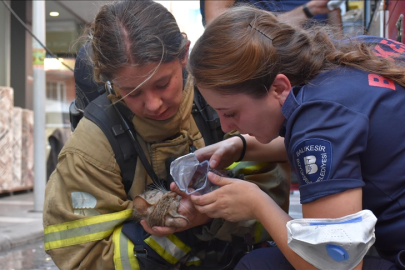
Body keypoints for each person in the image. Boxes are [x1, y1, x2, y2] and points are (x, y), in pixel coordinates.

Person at [42, 1, 291, 269]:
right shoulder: (90, 150)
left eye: (162, 84)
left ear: (184, 55)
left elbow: (272, 198)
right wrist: (183, 230)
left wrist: (214, 214)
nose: (153, 104)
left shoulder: (223, 104)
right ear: (109, 81)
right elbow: (80, 255)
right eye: (133, 92)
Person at [186, 5, 405, 270]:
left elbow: (336, 265)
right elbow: (339, 142)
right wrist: (241, 146)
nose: (226, 126)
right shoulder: (345, 55)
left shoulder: (319, 120)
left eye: (230, 112)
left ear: (278, 87)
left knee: (255, 266)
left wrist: (257, 204)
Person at [201, 0, 343, 30]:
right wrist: (305, 12)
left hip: (316, 62)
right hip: (261, 65)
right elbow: (215, 19)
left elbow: (331, 9)